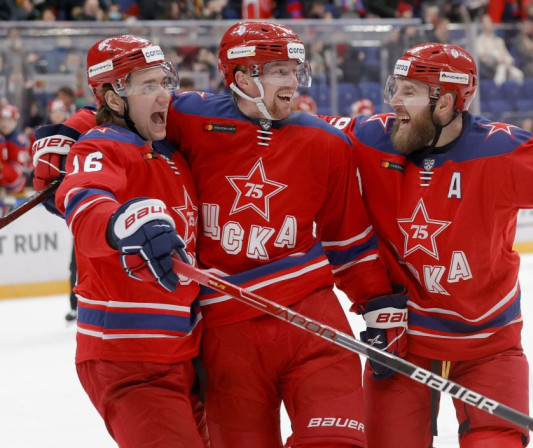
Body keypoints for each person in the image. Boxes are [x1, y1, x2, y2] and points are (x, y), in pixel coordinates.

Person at [32, 22, 399, 448]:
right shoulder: (181, 123)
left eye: (294, 70)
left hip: (244, 337)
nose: (293, 80)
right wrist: (72, 133)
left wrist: (376, 304)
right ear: (243, 78)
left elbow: (347, 238)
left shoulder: (316, 140)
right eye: (279, 70)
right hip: (191, 343)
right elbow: (95, 171)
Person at [324, 42, 533, 447]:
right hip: (401, 342)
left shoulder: (501, 150)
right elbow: (295, 134)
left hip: (489, 345)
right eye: (395, 88)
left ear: (446, 102)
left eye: (409, 92)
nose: (394, 101)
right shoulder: (369, 139)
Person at [49, 35, 208, 447]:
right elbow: (84, 202)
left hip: (184, 352)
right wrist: (120, 221)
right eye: (148, 86)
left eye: (164, 82)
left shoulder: (170, 153)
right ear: (115, 100)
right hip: (128, 357)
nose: (164, 96)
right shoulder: (103, 145)